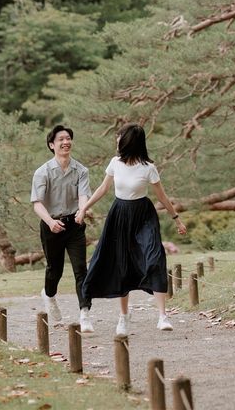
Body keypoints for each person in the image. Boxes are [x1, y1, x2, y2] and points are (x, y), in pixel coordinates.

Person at [80, 123, 187, 335]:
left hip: (144, 215)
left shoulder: (148, 167)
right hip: (119, 215)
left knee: (155, 258)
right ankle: (123, 317)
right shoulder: (115, 163)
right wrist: (84, 208)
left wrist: (176, 218)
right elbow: (103, 188)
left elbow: (161, 196)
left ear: (129, 142)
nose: (117, 140)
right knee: (122, 264)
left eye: (120, 137)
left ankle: (162, 316)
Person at [30, 124, 94, 333]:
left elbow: (83, 195)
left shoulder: (81, 170)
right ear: (52, 145)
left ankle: (84, 313)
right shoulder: (43, 172)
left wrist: (82, 211)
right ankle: (49, 295)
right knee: (54, 270)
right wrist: (50, 221)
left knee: (80, 270)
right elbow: (37, 203)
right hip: (51, 224)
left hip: (75, 223)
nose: (66, 142)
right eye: (61, 139)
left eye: (68, 138)